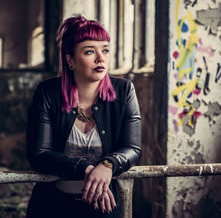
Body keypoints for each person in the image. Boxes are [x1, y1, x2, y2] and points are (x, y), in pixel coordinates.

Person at [26, 15, 142, 217]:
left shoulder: (124, 90)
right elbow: (39, 154)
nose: (101, 58)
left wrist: (108, 165)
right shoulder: (48, 93)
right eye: (90, 51)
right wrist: (87, 169)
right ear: (70, 60)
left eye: (105, 50)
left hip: (104, 206)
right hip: (53, 205)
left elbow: (132, 148)